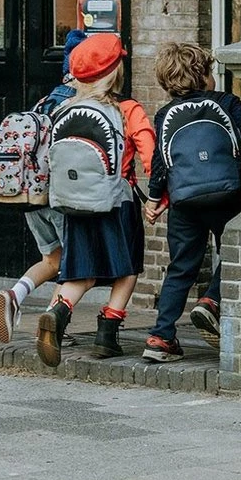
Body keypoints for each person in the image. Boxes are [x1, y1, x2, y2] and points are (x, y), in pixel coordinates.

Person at [35, 33, 156, 367]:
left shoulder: (64, 109)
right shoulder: (127, 109)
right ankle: (107, 335)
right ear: (116, 72)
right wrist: (159, 194)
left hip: (74, 205)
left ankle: (57, 313)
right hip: (117, 202)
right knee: (127, 269)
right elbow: (150, 154)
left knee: (81, 273)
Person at [141, 42, 241, 362]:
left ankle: (160, 337)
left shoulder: (165, 114)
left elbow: (161, 162)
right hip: (226, 194)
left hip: (184, 200)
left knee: (181, 267)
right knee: (236, 253)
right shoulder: (228, 102)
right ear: (202, 75)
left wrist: (154, 199)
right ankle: (211, 300)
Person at [0, 29, 88, 344]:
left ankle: (14, 295)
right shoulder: (78, 105)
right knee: (75, 266)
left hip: (31, 196)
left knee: (53, 260)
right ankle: (51, 324)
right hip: (60, 198)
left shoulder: (44, 101)